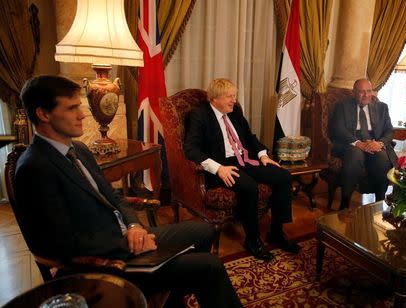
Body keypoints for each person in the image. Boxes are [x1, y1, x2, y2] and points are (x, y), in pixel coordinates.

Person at [14, 75, 242, 308]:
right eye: (72, 108)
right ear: (43, 114)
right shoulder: (35, 167)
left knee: (203, 230)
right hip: (106, 262)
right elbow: (63, 243)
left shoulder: (78, 149)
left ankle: (175, 293)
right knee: (209, 265)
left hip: (127, 237)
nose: (82, 114)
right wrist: (129, 243)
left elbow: (114, 197)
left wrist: (134, 227)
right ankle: (177, 280)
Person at [184, 78, 299, 261]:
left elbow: (249, 136)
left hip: (245, 159)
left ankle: (277, 232)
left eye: (234, 96)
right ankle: (252, 240)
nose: (234, 100)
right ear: (215, 99)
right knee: (249, 187)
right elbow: (191, 149)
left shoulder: (234, 111)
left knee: (283, 176)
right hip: (223, 166)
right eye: (230, 96)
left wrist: (263, 155)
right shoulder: (200, 115)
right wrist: (218, 169)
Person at [329, 78, 397, 210]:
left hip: (374, 143)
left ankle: (379, 202)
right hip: (351, 143)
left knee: (383, 159)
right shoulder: (342, 106)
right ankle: (345, 203)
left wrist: (380, 143)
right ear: (354, 93)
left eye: (369, 91)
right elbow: (337, 128)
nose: (366, 95)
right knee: (354, 155)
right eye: (361, 92)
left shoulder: (382, 107)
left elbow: (389, 131)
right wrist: (357, 143)